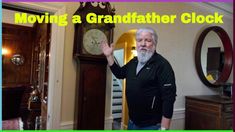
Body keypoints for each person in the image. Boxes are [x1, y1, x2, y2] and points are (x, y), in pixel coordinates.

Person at [101, 27, 176, 130]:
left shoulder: (162, 65)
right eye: (139, 40)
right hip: (132, 123)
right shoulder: (133, 62)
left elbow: (169, 98)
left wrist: (164, 128)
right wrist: (109, 56)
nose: (143, 44)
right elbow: (119, 73)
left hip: (152, 126)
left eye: (147, 40)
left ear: (154, 43)